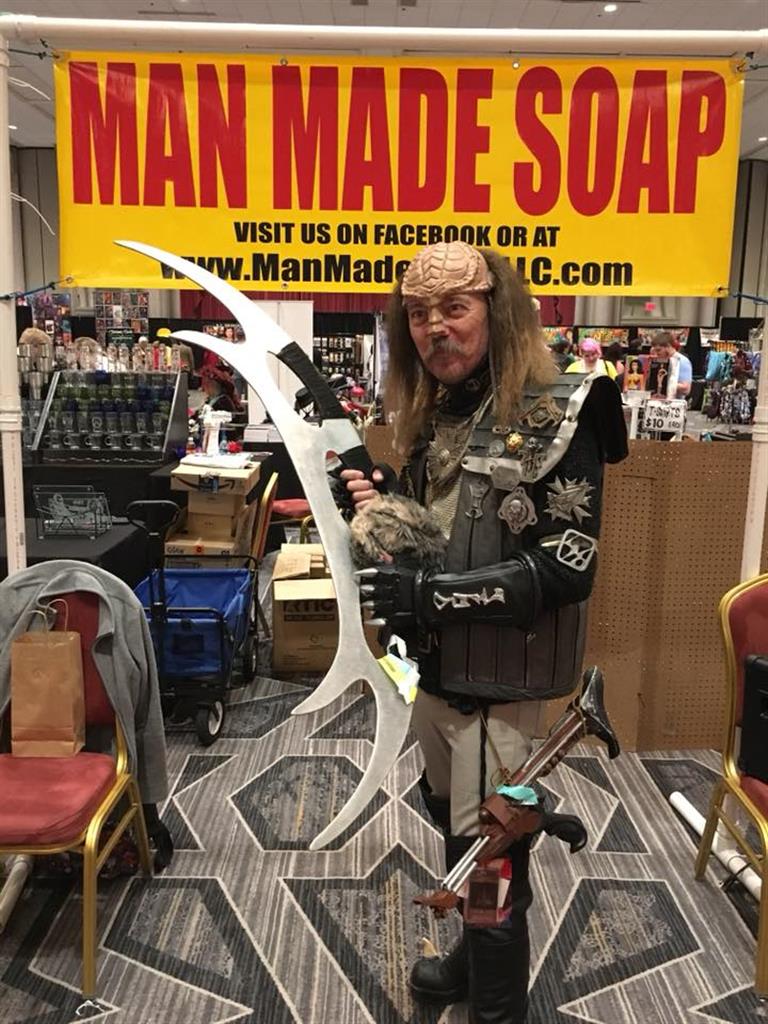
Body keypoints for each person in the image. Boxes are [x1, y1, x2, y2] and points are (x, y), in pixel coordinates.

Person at [342, 241, 627, 1024]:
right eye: (419, 314)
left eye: (455, 308)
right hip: (435, 672)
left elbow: (567, 568)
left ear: (495, 312)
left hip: (503, 680)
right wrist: (382, 504)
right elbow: (438, 538)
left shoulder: (563, 412)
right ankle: (471, 966)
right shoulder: (436, 412)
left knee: (495, 852)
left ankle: (498, 1013)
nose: (436, 328)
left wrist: (427, 595)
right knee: (456, 825)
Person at [649, 331, 692, 398]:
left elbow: (686, 389)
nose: (657, 353)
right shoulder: (660, 360)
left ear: (668, 347)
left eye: (659, 350)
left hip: (674, 402)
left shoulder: (682, 361)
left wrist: (667, 384)